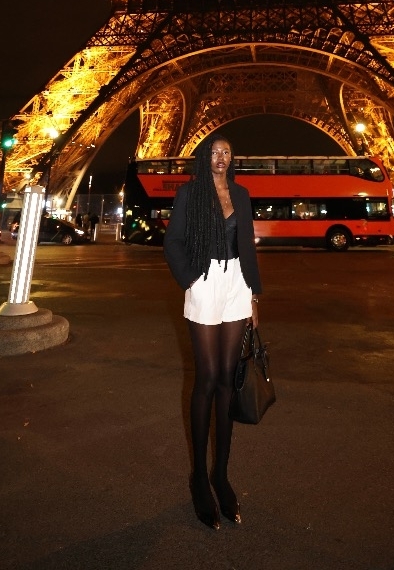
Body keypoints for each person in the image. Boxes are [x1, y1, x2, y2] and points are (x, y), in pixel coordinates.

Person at [163, 135, 262, 530]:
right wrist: (192, 279)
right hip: (205, 280)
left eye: (227, 153)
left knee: (226, 380)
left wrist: (253, 295)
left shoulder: (241, 194)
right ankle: (199, 478)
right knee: (205, 379)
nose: (221, 158)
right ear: (204, 157)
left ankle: (220, 473)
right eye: (215, 152)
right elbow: (173, 241)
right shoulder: (190, 193)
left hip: (237, 283)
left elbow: (248, 245)